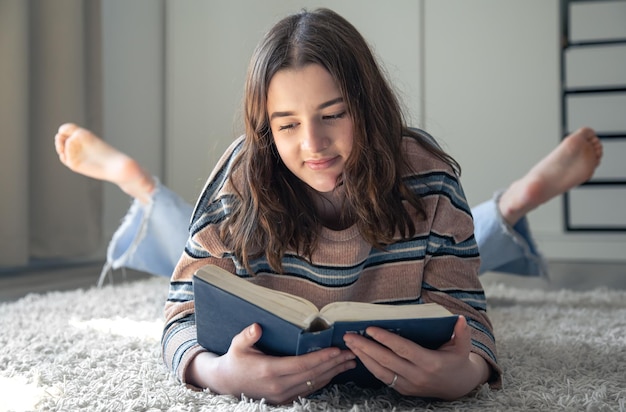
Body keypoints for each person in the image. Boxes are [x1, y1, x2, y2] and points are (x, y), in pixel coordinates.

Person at [55, 9, 602, 405]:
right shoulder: (243, 176)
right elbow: (180, 310)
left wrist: (467, 373)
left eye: (334, 114)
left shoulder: (427, 175)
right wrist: (219, 374)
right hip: (240, 212)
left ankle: (516, 200)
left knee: (469, 239)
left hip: (414, 201)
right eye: (286, 125)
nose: (312, 144)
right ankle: (141, 187)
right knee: (182, 241)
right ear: (265, 130)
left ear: (368, 108)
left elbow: (465, 308)